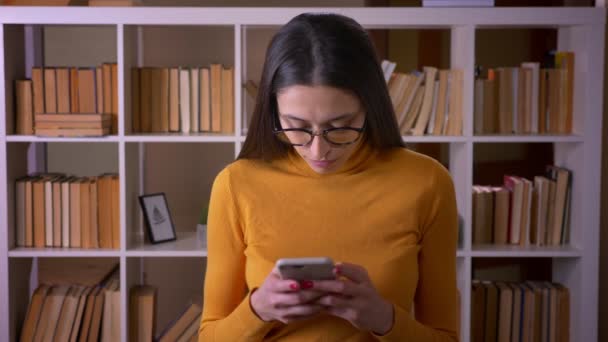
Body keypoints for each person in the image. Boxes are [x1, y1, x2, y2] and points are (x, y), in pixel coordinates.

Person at [198, 12, 459, 341]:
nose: (319, 150)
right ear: (272, 111)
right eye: (297, 126)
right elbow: (210, 336)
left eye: (339, 126)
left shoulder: (427, 183)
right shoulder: (235, 185)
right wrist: (258, 310)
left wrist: (384, 319)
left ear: (370, 106)